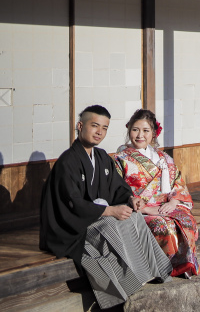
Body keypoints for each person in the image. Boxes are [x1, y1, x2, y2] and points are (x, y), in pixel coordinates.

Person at [40, 105, 172, 309]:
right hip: (72, 227)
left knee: (134, 217)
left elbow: (117, 188)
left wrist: (130, 199)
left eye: (104, 127)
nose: (99, 132)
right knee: (110, 227)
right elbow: (73, 203)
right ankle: (124, 287)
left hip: (95, 215)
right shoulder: (68, 162)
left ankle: (148, 273)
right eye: (94, 126)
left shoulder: (101, 157)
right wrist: (110, 211)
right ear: (80, 126)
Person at [115, 109, 200, 277]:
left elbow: (178, 183)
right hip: (138, 209)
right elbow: (117, 189)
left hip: (166, 205)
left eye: (145, 131)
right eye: (135, 130)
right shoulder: (120, 159)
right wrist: (145, 208)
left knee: (187, 221)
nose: (140, 135)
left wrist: (174, 202)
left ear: (153, 133)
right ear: (129, 130)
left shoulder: (163, 158)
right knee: (162, 226)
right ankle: (164, 269)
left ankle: (184, 265)